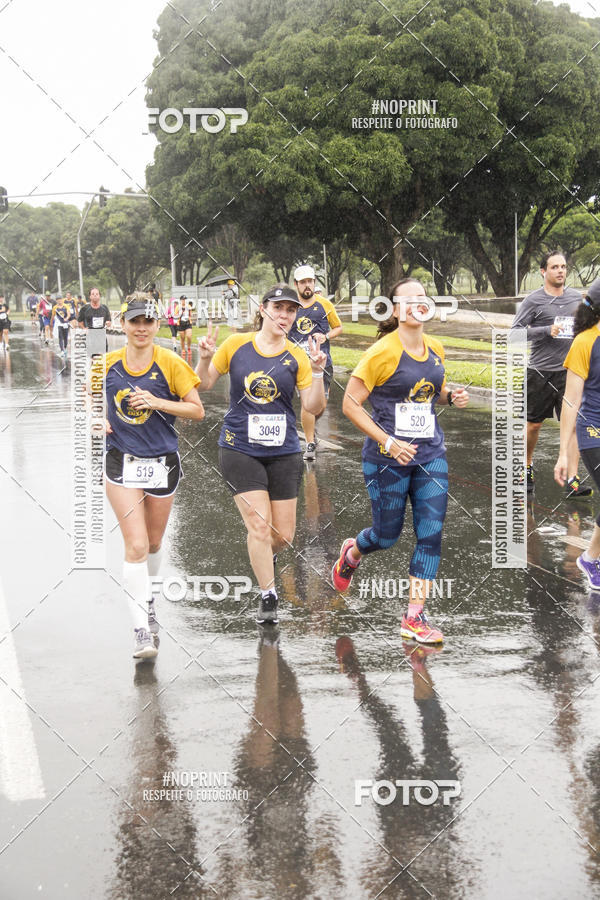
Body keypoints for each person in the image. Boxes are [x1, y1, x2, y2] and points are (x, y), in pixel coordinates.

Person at [331, 277, 469, 645]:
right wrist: (388, 441)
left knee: (431, 535)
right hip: (385, 459)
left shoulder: (436, 347)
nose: (416, 304)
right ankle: (352, 552)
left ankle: (414, 617)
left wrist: (451, 396)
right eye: (407, 300)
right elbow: (350, 404)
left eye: (422, 298)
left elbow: (430, 392)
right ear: (394, 309)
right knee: (386, 536)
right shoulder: (382, 352)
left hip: (430, 455)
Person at [195, 284, 326, 624]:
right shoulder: (237, 344)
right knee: (258, 525)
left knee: (282, 536)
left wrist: (318, 372)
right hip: (240, 448)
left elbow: (314, 406)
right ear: (264, 309)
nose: (284, 315)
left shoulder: (297, 355)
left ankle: (264, 559)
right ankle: (268, 596)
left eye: (291, 310)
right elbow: (204, 383)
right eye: (278, 308)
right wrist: (205, 358)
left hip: (283, 451)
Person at [91, 294, 204, 659]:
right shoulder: (105, 364)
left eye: (148, 322)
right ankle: (141, 628)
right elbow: (88, 398)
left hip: (161, 462)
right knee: (136, 545)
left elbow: (196, 410)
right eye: (134, 321)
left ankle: (148, 598)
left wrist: (157, 402)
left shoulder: (170, 363)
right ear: (122, 324)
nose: (141, 328)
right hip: (121, 462)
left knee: (154, 543)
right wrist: (97, 418)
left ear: (157, 325)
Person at [511, 251, 591, 498]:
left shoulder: (576, 298)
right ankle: (526, 467)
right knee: (534, 425)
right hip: (540, 372)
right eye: (555, 267)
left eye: (564, 267)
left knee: (576, 425)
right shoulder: (533, 301)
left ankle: (572, 478)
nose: (560, 271)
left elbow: (585, 328)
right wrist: (547, 330)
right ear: (543, 272)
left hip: (570, 373)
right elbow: (514, 334)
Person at [554, 278, 600, 589]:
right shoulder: (585, 342)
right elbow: (570, 400)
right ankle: (590, 559)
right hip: (593, 430)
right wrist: (562, 453)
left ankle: (591, 558)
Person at [287, 264, 342, 460]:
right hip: (299, 364)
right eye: (303, 282)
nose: (307, 285)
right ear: (296, 284)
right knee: (308, 404)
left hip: (322, 363)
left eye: (310, 281)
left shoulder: (325, 305)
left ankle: (311, 428)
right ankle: (310, 443)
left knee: (320, 405)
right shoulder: (291, 306)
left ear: (314, 283)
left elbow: (338, 328)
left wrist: (325, 336)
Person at [177, 295, 194, 360]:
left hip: (187, 323)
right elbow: (175, 314)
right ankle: (183, 349)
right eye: (183, 299)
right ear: (180, 300)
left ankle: (189, 348)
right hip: (181, 323)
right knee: (182, 337)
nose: (184, 301)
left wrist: (189, 318)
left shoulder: (189, 306)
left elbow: (190, 314)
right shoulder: (178, 307)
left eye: (185, 299)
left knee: (189, 336)